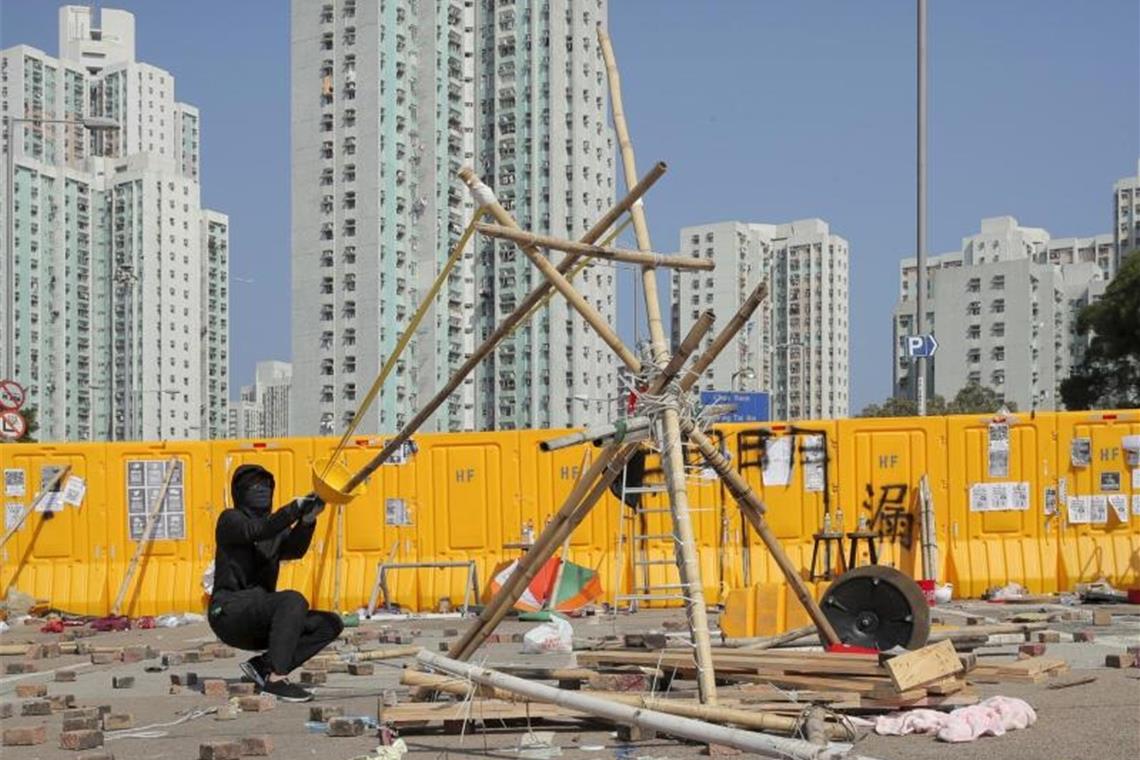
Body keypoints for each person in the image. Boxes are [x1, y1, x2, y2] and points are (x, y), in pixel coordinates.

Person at [207, 464, 343, 702]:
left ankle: (264, 666)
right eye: (254, 487)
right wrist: (294, 509)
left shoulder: (273, 528)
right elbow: (256, 530)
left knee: (329, 623)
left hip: (260, 615)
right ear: (239, 492)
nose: (261, 491)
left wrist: (307, 520)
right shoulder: (230, 520)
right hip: (229, 613)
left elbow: (294, 550)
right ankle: (277, 679)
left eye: (266, 486)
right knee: (292, 600)